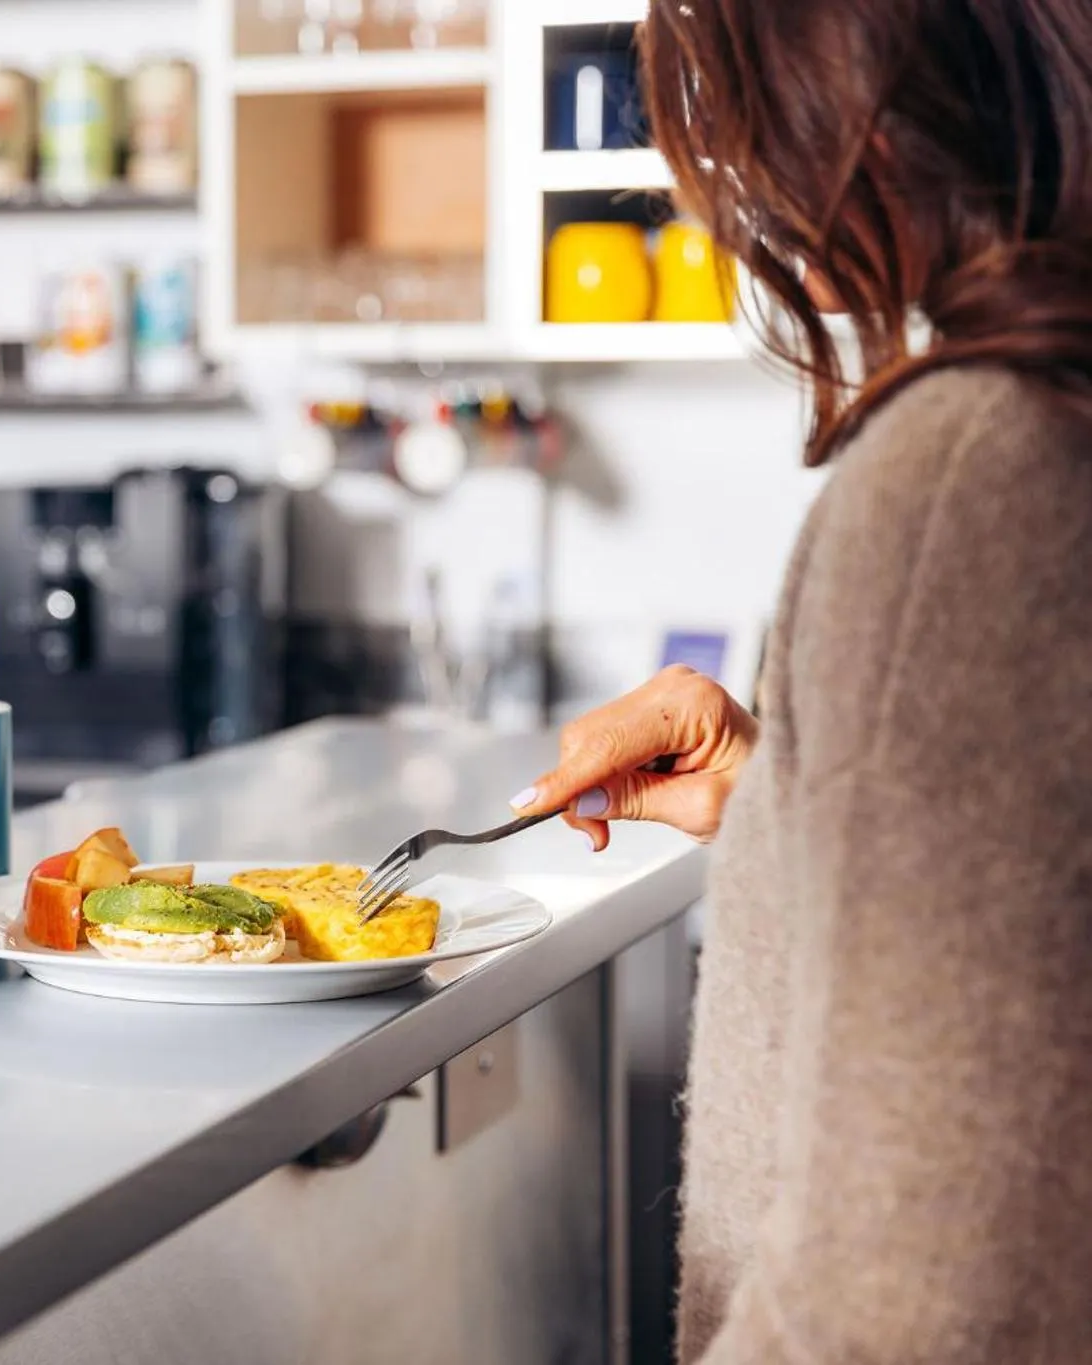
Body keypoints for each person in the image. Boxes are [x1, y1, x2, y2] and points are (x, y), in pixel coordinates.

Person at [508, 2, 1092, 1360]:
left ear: (869, 94)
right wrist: (793, 803)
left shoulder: (967, 469)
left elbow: (911, 1281)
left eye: (723, 87)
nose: (720, 167)